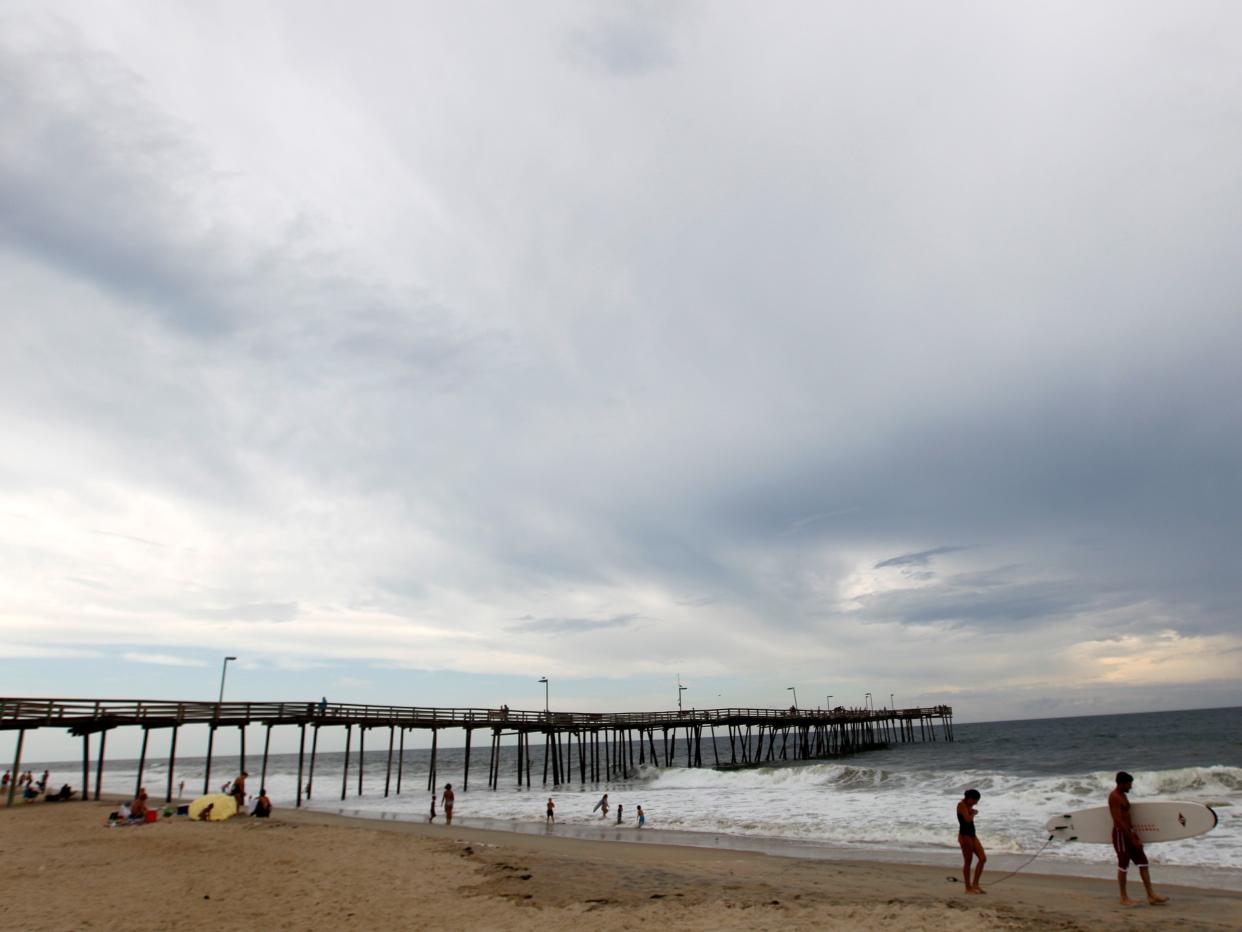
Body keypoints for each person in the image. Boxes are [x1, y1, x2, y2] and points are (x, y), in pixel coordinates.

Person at [1109, 771, 1168, 907]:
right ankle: (1124, 898)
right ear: (1122, 783)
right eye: (1129, 784)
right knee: (1123, 865)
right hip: (1121, 835)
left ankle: (1151, 895)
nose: (1131, 787)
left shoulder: (1123, 795)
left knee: (1143, 862)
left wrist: (1134, 834)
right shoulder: (1114, 797)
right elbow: (1118, 821)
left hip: (1129, 833)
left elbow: (1127, 818)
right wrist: (1131, 838)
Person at [956, 789, 986, 894]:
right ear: (969, 799)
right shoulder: (961, 805)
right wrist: (973, 814)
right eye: (975, 800)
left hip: (972, 834)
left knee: (982, 858)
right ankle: (968, 888)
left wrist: (972, 811)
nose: (976, 803)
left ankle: (975, 884)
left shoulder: (969, 806)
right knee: (968, 862)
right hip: (964, 836)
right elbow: (968, 820)